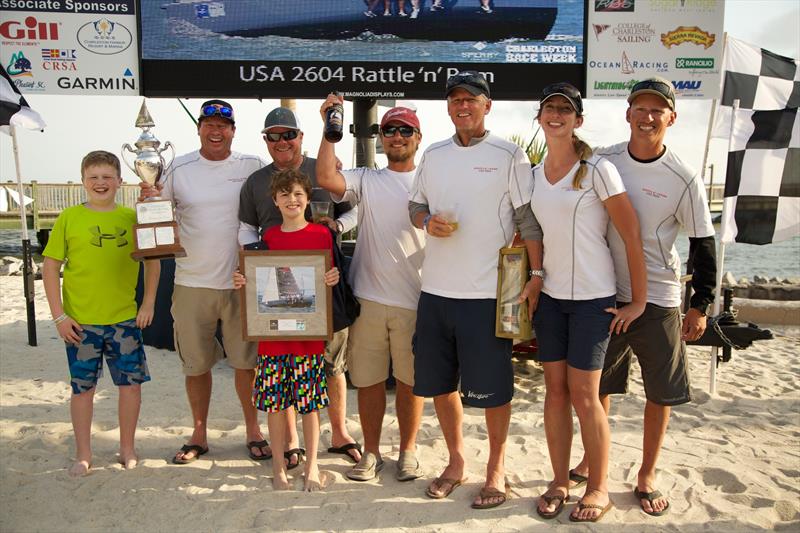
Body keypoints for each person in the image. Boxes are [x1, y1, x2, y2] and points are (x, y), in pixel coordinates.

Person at [569, 76, 717, 517]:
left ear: (672, 117)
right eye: (641, 108)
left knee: (660, 393)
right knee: (599, 386)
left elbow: (703, 243)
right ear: (627, 113)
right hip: (602, 291)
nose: (648, 117)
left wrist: (700, 305)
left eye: (658, 110)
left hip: (658, 297)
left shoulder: (683, 177)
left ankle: (646, 474)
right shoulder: (602, 159)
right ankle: (589, 461)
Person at [408, 71, 542, 509]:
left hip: (487, 294)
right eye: (455, 100)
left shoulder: (509, 154)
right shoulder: (434, 153)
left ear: (488, 105)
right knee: (441, 384)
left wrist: (535, 275)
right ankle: (456, 461)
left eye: (472, 99)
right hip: (436, 292)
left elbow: (527, 221)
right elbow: (415, 205)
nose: (462, 106)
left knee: (493, 390)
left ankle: (496, 469)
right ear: (448, 107)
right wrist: (428, 222)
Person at [521, 83, 646, 522]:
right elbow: (533, 232)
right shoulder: (534, 174)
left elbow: (632, 235)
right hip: (552, 299)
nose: (556, 115)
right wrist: (535, 278)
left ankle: (598, 488)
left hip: (595, 301)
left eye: (565, 110)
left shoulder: (598, 170)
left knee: (584, 395)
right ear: (539, 117)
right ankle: (558, 480)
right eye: (549, 108)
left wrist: (638, 302)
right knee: (553, 393)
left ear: (578, 120)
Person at [239, 106, 361, 469]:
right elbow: (247, 229)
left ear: (300, 137)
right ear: (266, 140)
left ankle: (338, 433)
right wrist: (249, 268)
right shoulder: (256, 182)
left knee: (333, 365)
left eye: (288, 134)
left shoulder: (323, 169)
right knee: (287, 363)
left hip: (326, 288)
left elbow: (357, 208)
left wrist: (336, 230)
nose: (281, 142)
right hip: (276, 295)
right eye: (273, 136)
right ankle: (291, 440)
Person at [153, 100, 270, 464]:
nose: (216, 131)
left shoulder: (252, 165)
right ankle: (199, 434)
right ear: (199, 128)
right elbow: (156, 214)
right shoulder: (177, 167)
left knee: (245, 365)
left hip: (241, 284)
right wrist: (147, 198)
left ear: (234, 131)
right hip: (192, 283)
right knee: (196, 365)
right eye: (209, 124)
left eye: (224, 125)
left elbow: (284, 197)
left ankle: (254, 431)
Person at [316, 97, 426, 482]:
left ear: (418, 137)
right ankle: (373, 453)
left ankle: (408, 452)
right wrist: (329, 130)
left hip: (416, 300)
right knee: (368, 381)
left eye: (405, 130)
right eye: (390, 130)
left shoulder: (433, 179)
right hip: (368, 299)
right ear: (381, 136)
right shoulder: (368, 178)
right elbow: (327, 178)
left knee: (412, 383)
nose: (397, 136)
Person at [42, 150, 160, 477]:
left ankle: (127, 448)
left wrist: (148, 302)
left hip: (124, 319)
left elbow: (154, 259)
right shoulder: (69, 218)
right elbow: (50, 267)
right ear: (83, 181)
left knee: (130, 387)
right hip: (81, 322)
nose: (100, 183)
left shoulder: (131, 218)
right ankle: (83, 453)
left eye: (107, 177)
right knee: (83, 390)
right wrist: (59, 316)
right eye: (93, 177)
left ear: (120, 182)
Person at [233, 169, 340, 491]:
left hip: (308, 339)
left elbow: (330, 281)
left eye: (297, 194)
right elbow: (259, 285)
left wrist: (331, 279)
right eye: (284, 195)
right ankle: (278, 467)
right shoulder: (268, 240)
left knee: (309, 406)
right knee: (277, 406)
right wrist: (242, 281)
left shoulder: (322, 237)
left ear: (307, 199)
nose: (291, 200)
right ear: (275, 201)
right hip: (274, 340)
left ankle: (311, 466)